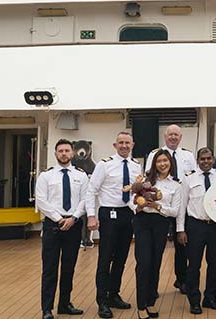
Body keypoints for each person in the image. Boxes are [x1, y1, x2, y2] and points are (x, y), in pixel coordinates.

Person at [86, 132, 141, 319]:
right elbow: (91, 190)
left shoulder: (136, 166)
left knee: (121, 258)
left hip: (128, 214)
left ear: (132, 145)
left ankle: (113, 294)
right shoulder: (104, 164)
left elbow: (135, 192)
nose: (124, 146)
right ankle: (102, 301)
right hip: (109, 213)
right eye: (121, 142)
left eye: (127, 143)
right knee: (105, 258)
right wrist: (91, 216)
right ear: (115, 145)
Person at [35, 139, 88, 319]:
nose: (64, 154)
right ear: (55, 154)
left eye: (67, 150)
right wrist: (59, 219)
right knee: (49, 269)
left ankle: (65, 304)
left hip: (73, 225)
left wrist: (73, 218)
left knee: (68, 267)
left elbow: (85, 199)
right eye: (60, 151)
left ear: (72, 153)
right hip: (53, 225)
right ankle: (47, 309)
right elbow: (41, 200)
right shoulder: (46, 176)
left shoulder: (81, 175)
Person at [144, 125, 197, 294]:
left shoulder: (188, 155)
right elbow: (148, 179)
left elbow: (193, 178)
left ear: (180, 137)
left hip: (181, 205)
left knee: (182, 244)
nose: (173, 137)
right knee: (156, 248)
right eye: (170, 135)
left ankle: (181, 280)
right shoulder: (154, 154)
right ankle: (152, 286)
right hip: (160, 206)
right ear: (165, 137)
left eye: (176, 135)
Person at [133, 150, 183, 319]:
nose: (162, 164)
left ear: (170, 163)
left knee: (155, 263)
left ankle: (150, 301)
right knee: (144, 263)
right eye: (159, 161)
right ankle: (141, 305)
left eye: (165, 161)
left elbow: (175, 211)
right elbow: (131, 200)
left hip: (161, 224)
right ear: (154, 164)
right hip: (142, 222)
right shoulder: (145, 181)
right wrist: (139, 207)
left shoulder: (176, 185)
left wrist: (157, 206)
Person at [177, 147, 216, 315]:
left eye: (209, 158)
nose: (206, 161)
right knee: (194, 265)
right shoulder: (189, 179)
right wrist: (180, 229)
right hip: (195, 226)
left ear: (213, 159)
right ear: (198, 161)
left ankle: (210, 298)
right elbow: (182, 206)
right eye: (202, 159)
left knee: (214, 263)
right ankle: (194, 300)